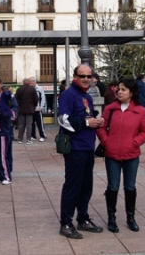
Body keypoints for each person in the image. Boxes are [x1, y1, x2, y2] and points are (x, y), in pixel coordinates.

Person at [58, 64, 105, 239]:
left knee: (86, 186)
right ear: (75, 77)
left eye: (89, 76)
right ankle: (66, 223)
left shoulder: (87, 96)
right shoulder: (68, 95)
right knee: (72, 186)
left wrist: (96, 120)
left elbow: (86, 115)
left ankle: (83, 218)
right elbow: (63, 120)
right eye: (82, 75)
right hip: (74, 149)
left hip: (87, 147)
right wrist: (87, 123)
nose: (86, 79)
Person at [97, 78, 145, 233]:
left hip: (131, 154)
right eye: (119, 89)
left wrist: (134, 142)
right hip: (112, 154)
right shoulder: (110, 109)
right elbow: (101, 127)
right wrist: (106, 141)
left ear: (131, 93)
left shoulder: (140, 111)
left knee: (130, 187)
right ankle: (111, 218)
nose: (119, 92)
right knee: (113, 186)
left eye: (124, 89)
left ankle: (130, 217)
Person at [0, 90, 15, 185]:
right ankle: (2, 176)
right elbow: (13, 117)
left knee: (2, 156)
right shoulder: (8, 108)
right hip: (3, 133)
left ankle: (6, 176)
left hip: (2, 133)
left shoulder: (1, 107)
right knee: (0, 155)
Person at [15, 78, 38, 144]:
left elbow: (16, 99)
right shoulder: (32, 89)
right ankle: (28, 139)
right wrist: (33, 106)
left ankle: (20, 139)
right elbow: (36, 99)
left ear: (23, 82)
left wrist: (19, 106)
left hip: (21, 109)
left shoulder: (19, 89)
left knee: (21, 125)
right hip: (30, 109)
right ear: (28, 82)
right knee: (29, 125)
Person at [29, 77, 47, 142]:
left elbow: (43, 98)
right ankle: (33, 136)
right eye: (29, 81)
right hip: (31, 110)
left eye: (31, 81)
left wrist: (41, 107)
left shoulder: (39, 89)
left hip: (38, 110)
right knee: (32, 124)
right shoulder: (29, 89)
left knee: (40, 124)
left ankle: (43, 136)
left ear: (34, 82)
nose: (30, 83)